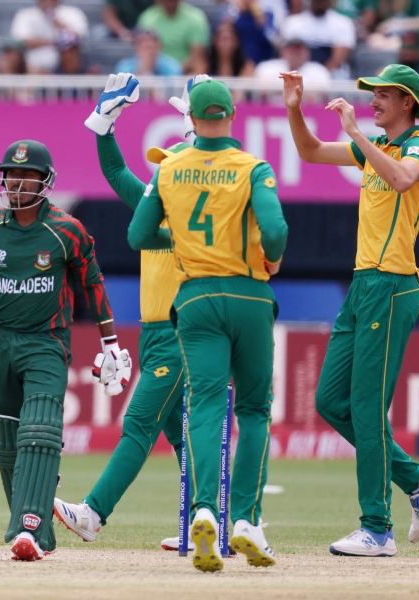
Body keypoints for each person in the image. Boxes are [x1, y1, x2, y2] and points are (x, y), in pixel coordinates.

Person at [0, 138, 132, 561]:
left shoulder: (66, 230)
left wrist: (111, 343)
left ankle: (29, 529)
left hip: (46, 342)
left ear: (45, 181)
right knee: (6, 444)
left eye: (27, 175)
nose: (17, 182)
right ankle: (39, 530)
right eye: (12, 175)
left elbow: (93, 284)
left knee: (39, 432)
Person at [283, 65, 419, 557]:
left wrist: (356, 133)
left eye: (382, 95)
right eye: (372, 94)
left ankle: (377, 529)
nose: (373, 101)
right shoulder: (374, 146)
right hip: (362, 285)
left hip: (393, 286)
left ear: (408, 102)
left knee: (367, 408)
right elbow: (310, 151)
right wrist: (294, 109)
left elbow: (401, 179)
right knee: (330, 401)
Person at [128, 79, 289, 572]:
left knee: (204, 405)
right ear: (232, 115)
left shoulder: (168, 168)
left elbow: (137, 234)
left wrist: (181, 242)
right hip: (249, 293)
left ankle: (203, 511)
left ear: (192, 119)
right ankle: (246, 520)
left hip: (195, 298)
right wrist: (271, 257)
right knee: (254, 410)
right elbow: (276, 230)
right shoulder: (254, 167)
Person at [54, 73, 192, 550]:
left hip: (180, 332)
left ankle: (93, 513)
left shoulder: (193, 223)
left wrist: (196, 125)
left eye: (169, 169)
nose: (158, 175)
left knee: (138, 425)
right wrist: (104, 127)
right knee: (182, 437)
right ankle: (213, 522)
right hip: (155, 332)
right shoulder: (155, 207)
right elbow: (116, 173)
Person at [280, 0, 355, 79]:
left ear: (330, 1)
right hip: (300, 73)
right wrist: (306, 76)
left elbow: (338, 59)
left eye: (323, 0)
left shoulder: (342, 23)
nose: (319, 3)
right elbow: (288, 53)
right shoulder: (293, 23)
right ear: (309, 0)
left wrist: (319, 77)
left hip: (332, 76)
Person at [10, 0, 89, 74]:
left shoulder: (73, 13)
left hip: (64, 69)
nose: (49, 0)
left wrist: (54, 19)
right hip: (32, 69)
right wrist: (55, 42)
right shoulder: (25, 15)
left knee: (71, 53)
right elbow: (20, 41)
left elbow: (79, 38)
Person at [137, 0, 210, 73]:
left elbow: (197, 55)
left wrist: (174, 71)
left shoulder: (195, 18)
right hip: (154, 71)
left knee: (200, 65)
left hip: (186, 73)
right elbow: (143, 50)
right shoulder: (148, 18)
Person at [222, 0, 281, 66]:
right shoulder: (232, 13)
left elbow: (273, 39)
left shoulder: (268, 13)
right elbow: (223, 33)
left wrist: (255, 9)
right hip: (239, 64)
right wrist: (236, 9)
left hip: (263, 64)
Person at [254, 37, 331, 92]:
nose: (295, 54)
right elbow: (261, 90)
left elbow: (321, 93)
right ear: (283, 51)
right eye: (292, 50)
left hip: (305, 109)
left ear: (307, 53)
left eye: (299, 50)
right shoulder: (267, 67)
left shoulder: (318, 70)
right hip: (272, 108)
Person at [115, 28, 183, 76]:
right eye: (143, 42)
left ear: (159, 46)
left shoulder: (173, 66)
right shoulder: (124, 66)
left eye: (153, 42)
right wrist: (143, 70)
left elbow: (174, 90)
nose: (148, 44)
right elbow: (123, 89)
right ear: (136, 46)